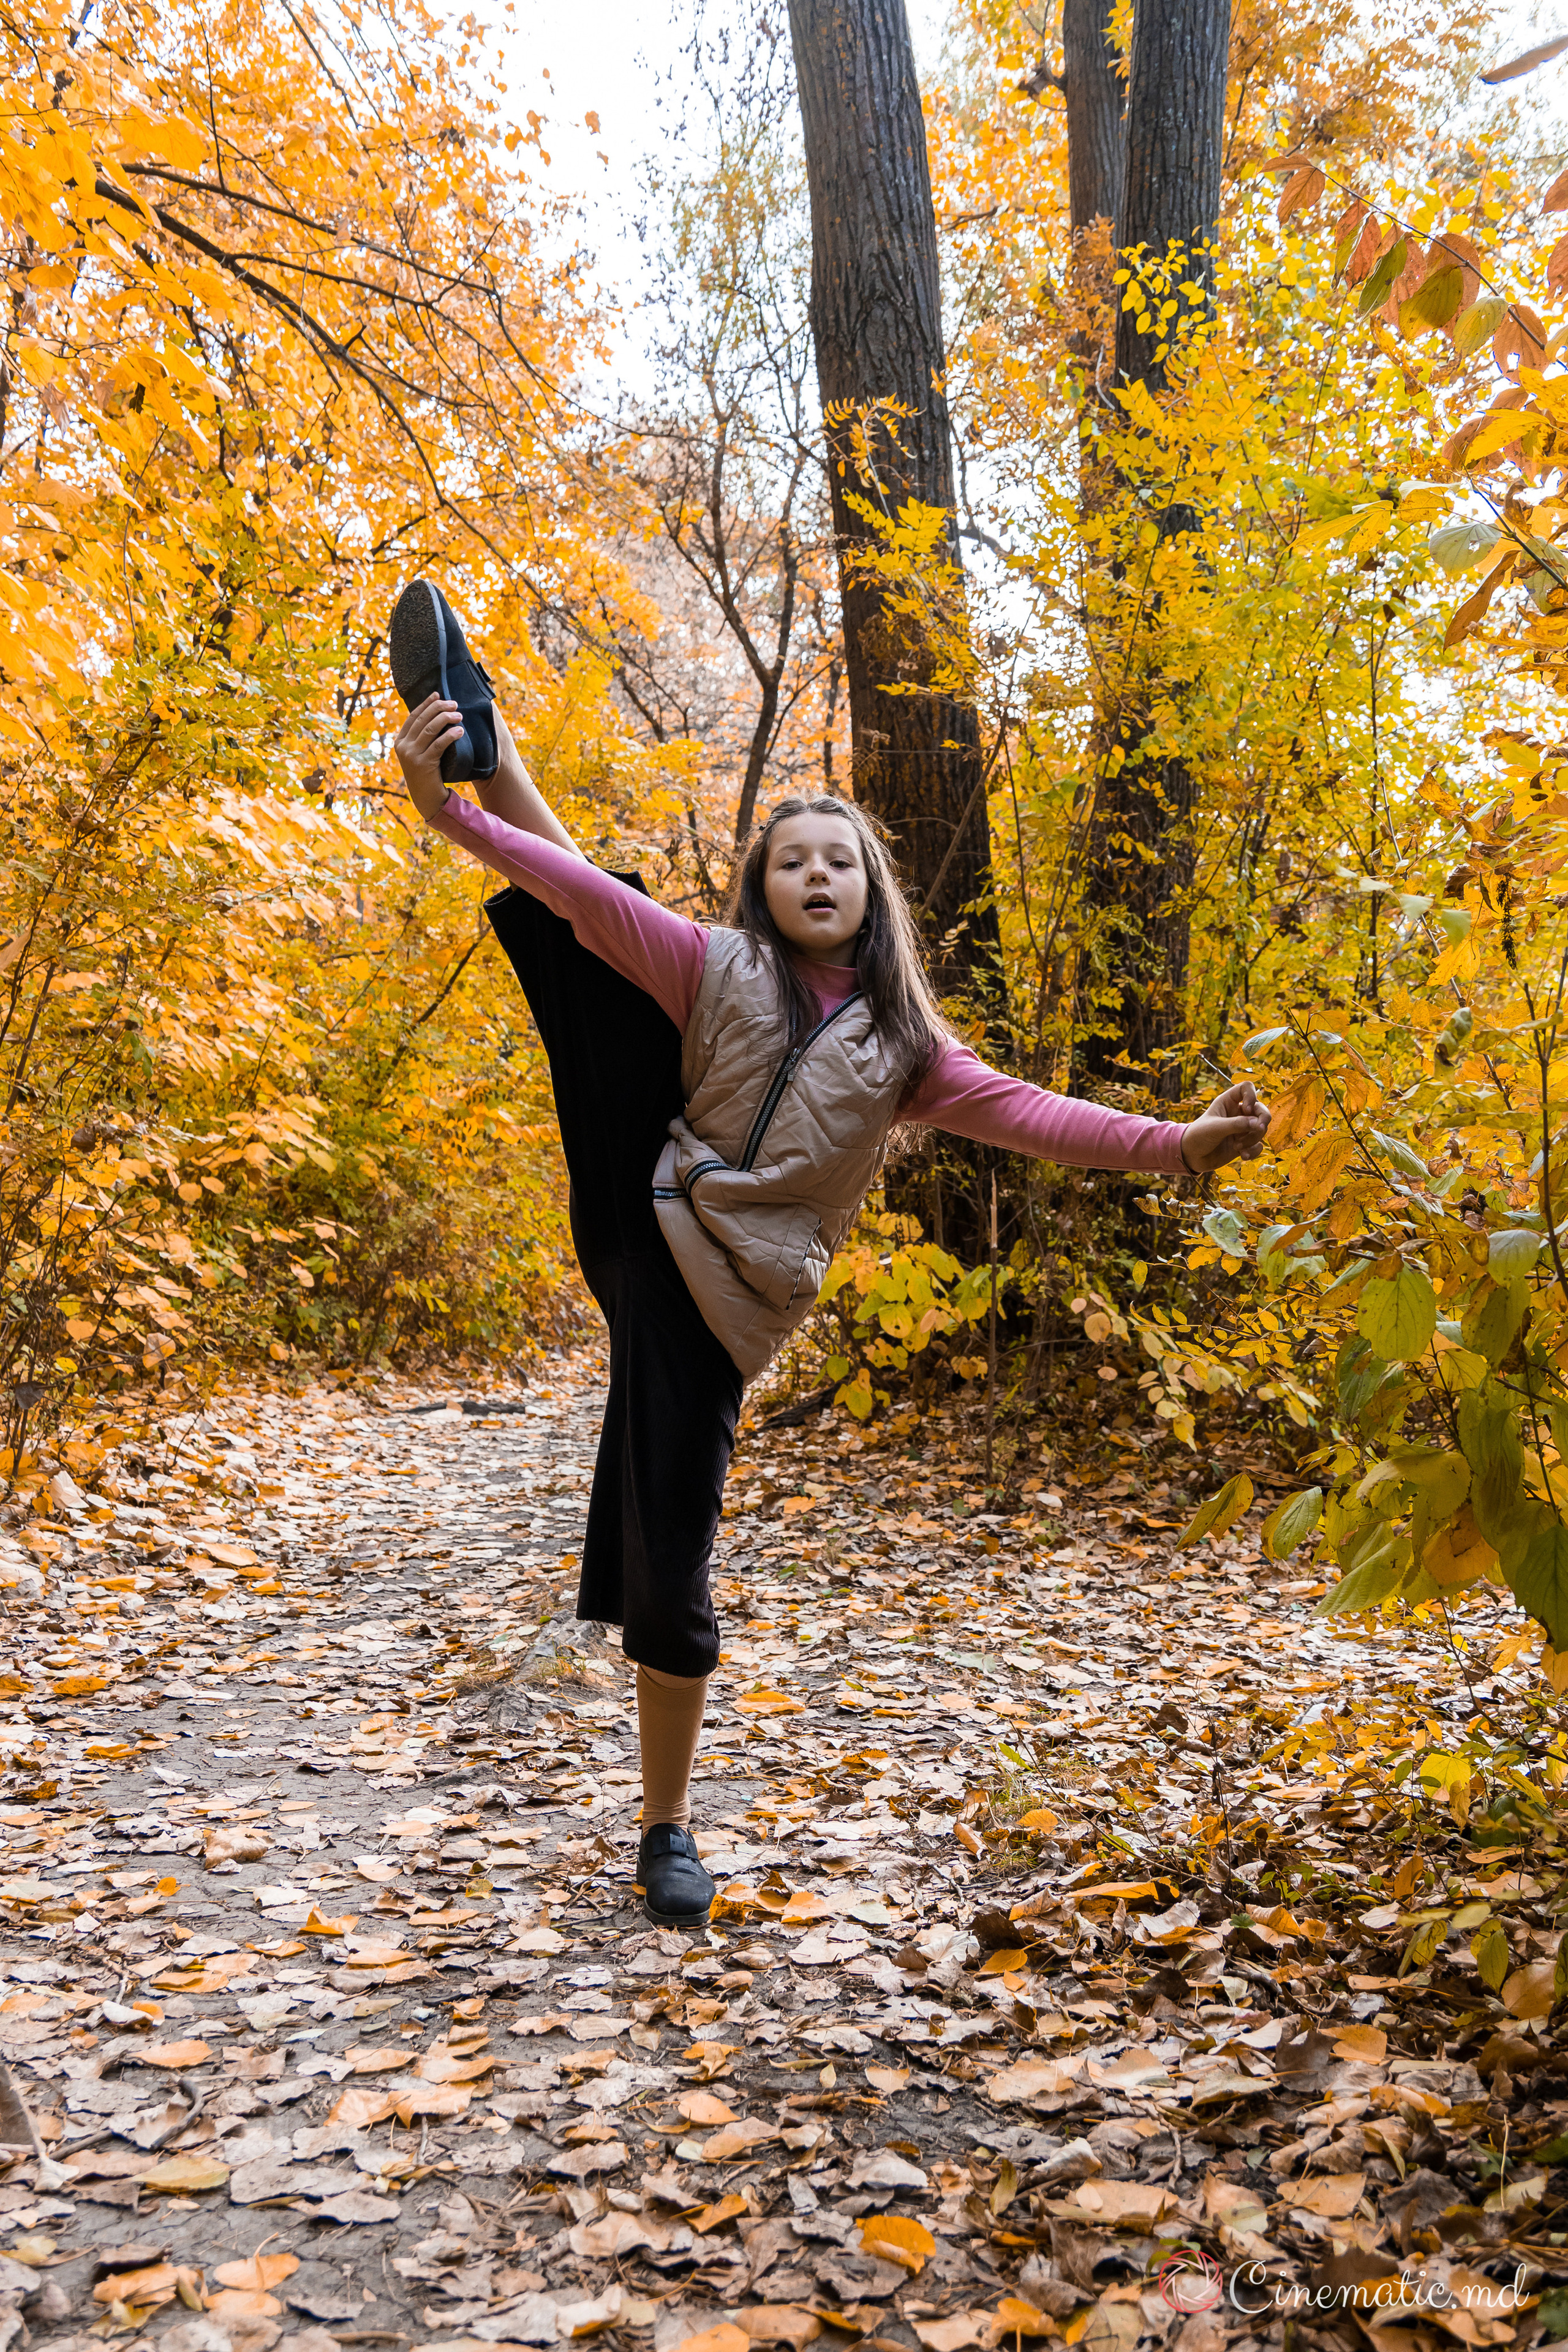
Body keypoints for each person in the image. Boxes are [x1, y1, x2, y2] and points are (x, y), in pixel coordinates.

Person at [388, 582, 1269, 1927]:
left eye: (839, 859)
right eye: (791, 856)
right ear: (763, 884)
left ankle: (496, 741)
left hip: (730, 1290)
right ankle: (665, 1829)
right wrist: (447, 811)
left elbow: (1037, 1116)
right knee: (606, 931)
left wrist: (1177, 1145)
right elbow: (564, 883)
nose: (814, 872)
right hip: (644, 1208)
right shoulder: (717, 963)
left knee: (669, 1533)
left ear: (872, 896)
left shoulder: (907, 1052)